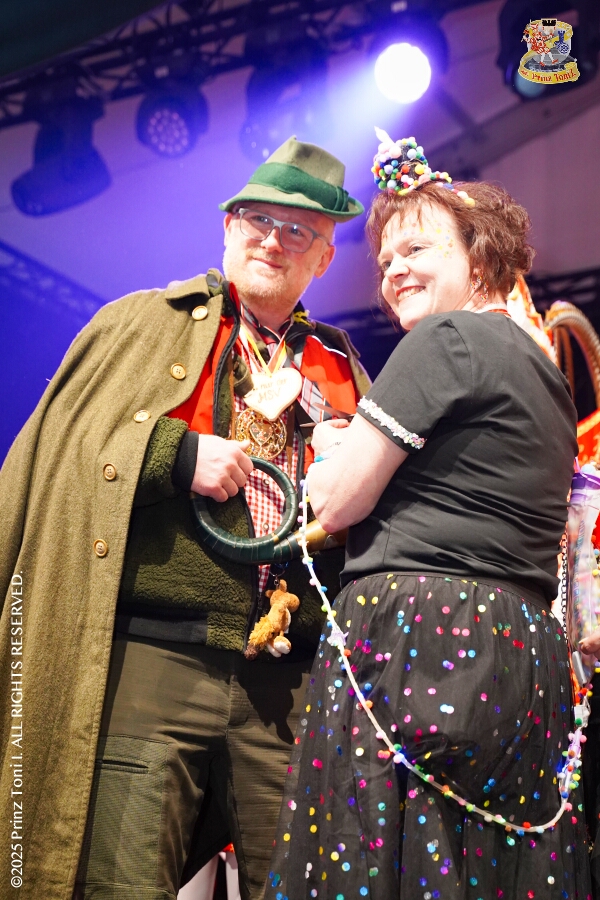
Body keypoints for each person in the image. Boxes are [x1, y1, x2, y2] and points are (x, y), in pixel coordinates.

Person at [0, 136, 371, 900]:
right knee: (122, 883)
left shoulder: (340, 367)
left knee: (303, 885)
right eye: (259, 220)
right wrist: (172, 453)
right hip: (157, 664)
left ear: (325, 257)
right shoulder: (145, 324)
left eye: (298, 230)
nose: (274, 240)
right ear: (229, 227)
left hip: (289, 687)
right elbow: (60, 448)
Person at [266, 133, 592, 899]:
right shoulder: (547, 377)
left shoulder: (447, 337)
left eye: (417, 249)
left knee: (381, 865)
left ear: (479, 255)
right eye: (384, 261)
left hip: (419, 633)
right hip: (521, 652)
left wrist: (330, 457)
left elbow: (339, 503)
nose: (394, 272)